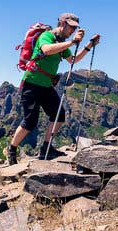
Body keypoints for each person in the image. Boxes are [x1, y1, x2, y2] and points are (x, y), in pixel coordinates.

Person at [7, 13, 101, 164]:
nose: (72, 31)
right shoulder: (47, 36)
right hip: (32, 84)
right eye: (71, 27)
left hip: (46, 86)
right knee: (30, 122)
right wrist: (72, 42)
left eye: (75, 28)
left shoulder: (61, 42)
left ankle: (46, 148)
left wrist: (89, 45)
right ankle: (12, 150)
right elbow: (46, 50)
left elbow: (73, 60)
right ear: (62, 23)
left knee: (59, 115)